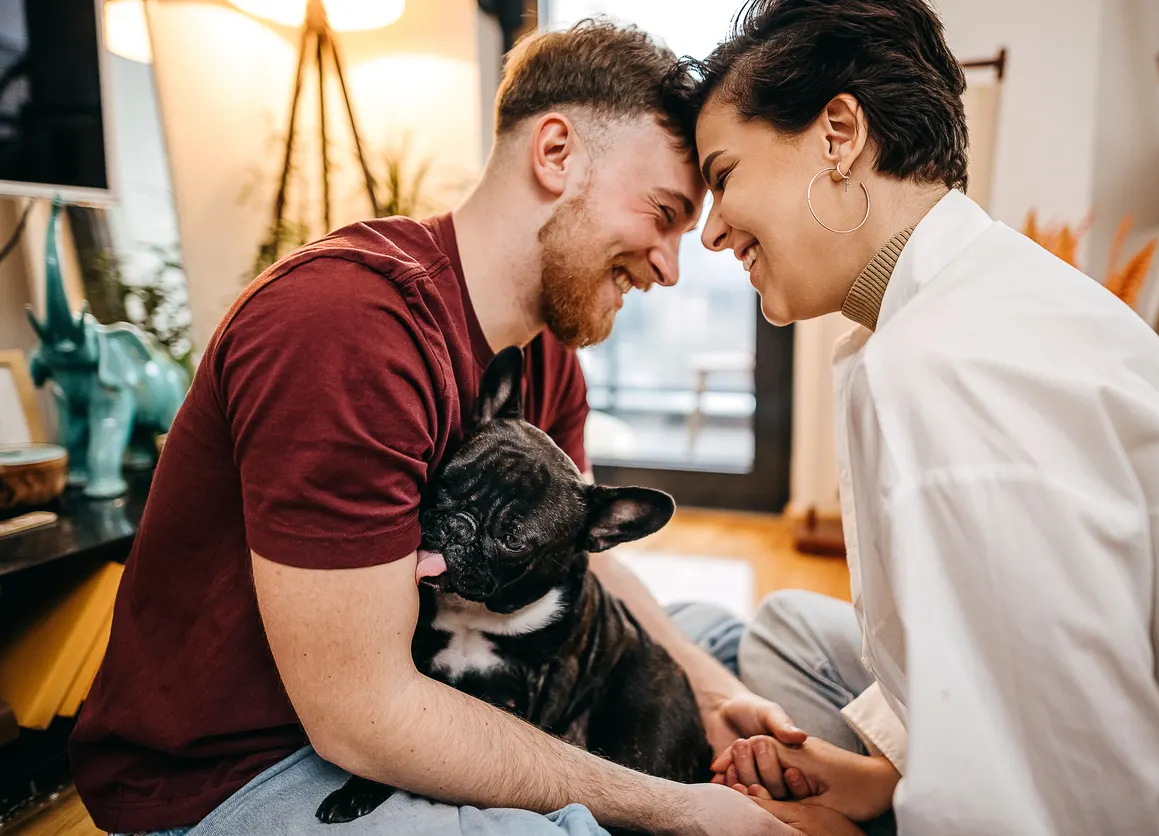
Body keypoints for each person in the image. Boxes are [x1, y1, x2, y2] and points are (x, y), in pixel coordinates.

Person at [69, 20, 817, 836]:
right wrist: (678, 810)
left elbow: (572, 550)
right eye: (664, 213)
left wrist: (713, 695)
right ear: (556, 152)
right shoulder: (345, 328)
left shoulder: (543, 352)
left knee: (736, 641)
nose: (671, 266)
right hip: (249, 767)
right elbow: (366, 717)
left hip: (418, 701)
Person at [672, 0, 1159, 834]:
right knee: (787, 628)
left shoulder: (950, 361)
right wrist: (867, 781)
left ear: (839, 134)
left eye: (722, 175)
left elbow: (1069, 794)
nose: (711, 232)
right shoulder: (954, 303)